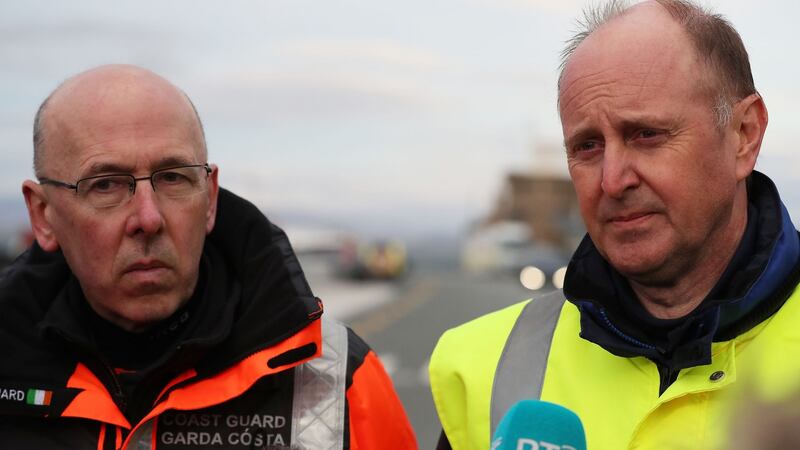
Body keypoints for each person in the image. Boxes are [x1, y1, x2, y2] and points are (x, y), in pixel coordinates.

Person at [429, 1, 800, 449]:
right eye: (587, 146)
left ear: (744, 134)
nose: (612, 179)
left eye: (646, 135)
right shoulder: (482, 367)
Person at [0, 64, 418, 449]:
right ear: (43, 215)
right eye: (106, 185)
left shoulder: (337, 374)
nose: (148, 218)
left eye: (172, 177)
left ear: (211, 198)